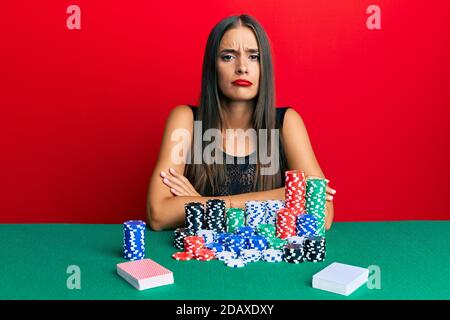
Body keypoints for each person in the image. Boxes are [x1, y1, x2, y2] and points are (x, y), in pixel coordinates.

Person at [146, 14, 336, 231]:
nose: (242, 67)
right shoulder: (185, 119)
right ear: (212, 66)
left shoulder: (286, 123)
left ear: (265, 66)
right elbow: (159, 214)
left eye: (254, 56)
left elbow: (323, 216)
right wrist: (281, 197)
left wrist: (201, 202)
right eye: (228, 57)